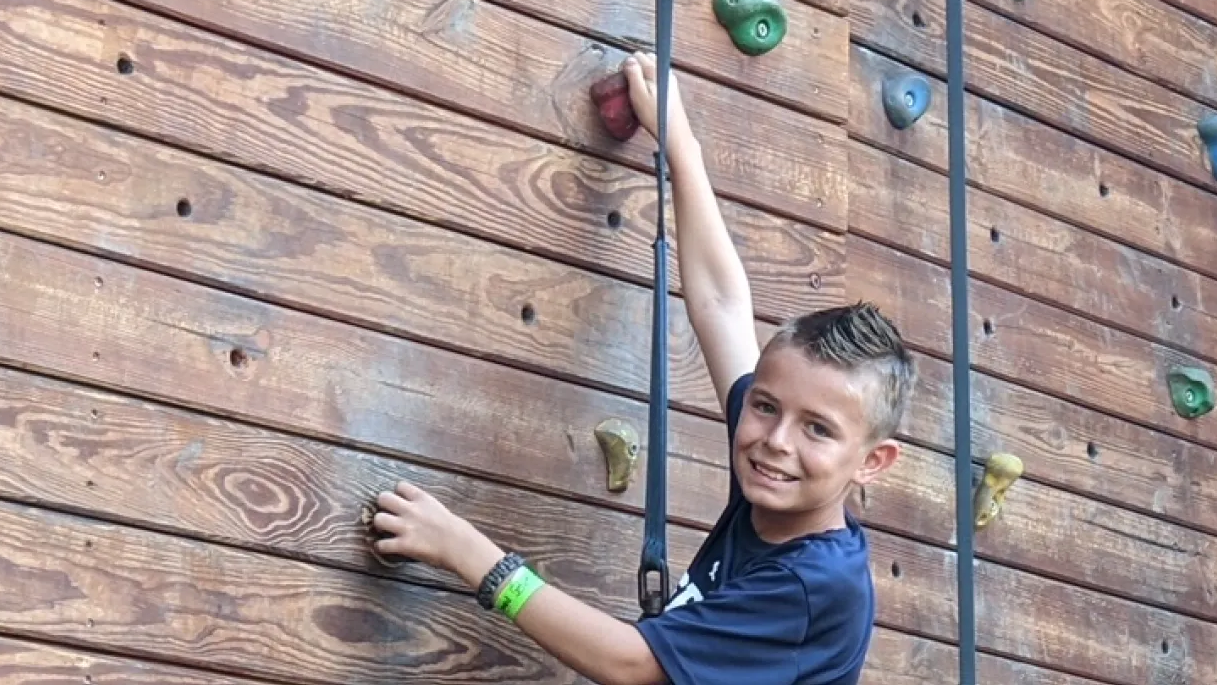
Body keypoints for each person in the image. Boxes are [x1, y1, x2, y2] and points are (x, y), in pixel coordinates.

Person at [367, 51, 916, 685]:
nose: (776, 440)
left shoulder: (815, 584)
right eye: (765, 406)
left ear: (872, 460)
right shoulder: (778, 475)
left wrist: (473, 556)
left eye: (818, 429)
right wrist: (679, 142)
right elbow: (720, 304)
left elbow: (631, 664)